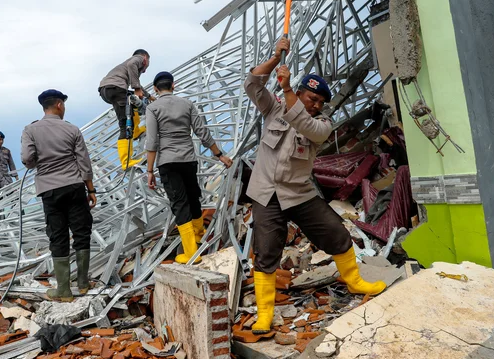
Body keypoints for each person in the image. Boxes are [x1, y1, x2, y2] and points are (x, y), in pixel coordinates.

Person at [244, 38, 386, 334]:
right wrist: (274, 60)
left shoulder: (322, 124)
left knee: (335, 233)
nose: (317, 105)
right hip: (267, 193)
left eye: (321, 102)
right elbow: (253, 84)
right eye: (312, 99)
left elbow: (308, 129)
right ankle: (265, 314)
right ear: (300, 93)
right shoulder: (274, 108)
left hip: (300, 193)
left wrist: (286, 91)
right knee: (266, 250)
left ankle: (355, 281)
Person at [145, 72, 232, 264]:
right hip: (188, 159)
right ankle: (199, 236)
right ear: (173, 85)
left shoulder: (153, 108)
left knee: (179, 202)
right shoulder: (187, 104)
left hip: (168, 161)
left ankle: (192, 252)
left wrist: (150, 171)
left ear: (155, 90)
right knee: (193, 196)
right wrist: (219, 155)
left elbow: (152, 141)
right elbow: (202, 131)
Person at [21, 89, 97, 301]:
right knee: (82, 231)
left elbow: (27, 158)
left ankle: (63, 290)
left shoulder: (30, 130)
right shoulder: (72, 129)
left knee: (58, 235)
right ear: (59, 105)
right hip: (74, 186)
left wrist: (39, 161)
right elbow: (84, 163)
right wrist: (90, 189)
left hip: (49, 189)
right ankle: (83, 283)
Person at [98, 49, 156, 170]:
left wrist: (148, 96)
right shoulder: (139, 59)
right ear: (145, 58)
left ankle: (135, 131)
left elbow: (138, 87)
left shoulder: (126, 69)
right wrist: (136, 87)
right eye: (147, 65)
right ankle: (126, 161)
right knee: (124, 124)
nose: (145, 70)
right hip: (116, 88)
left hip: (108, 89)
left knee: (132, 102)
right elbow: (132, 68)